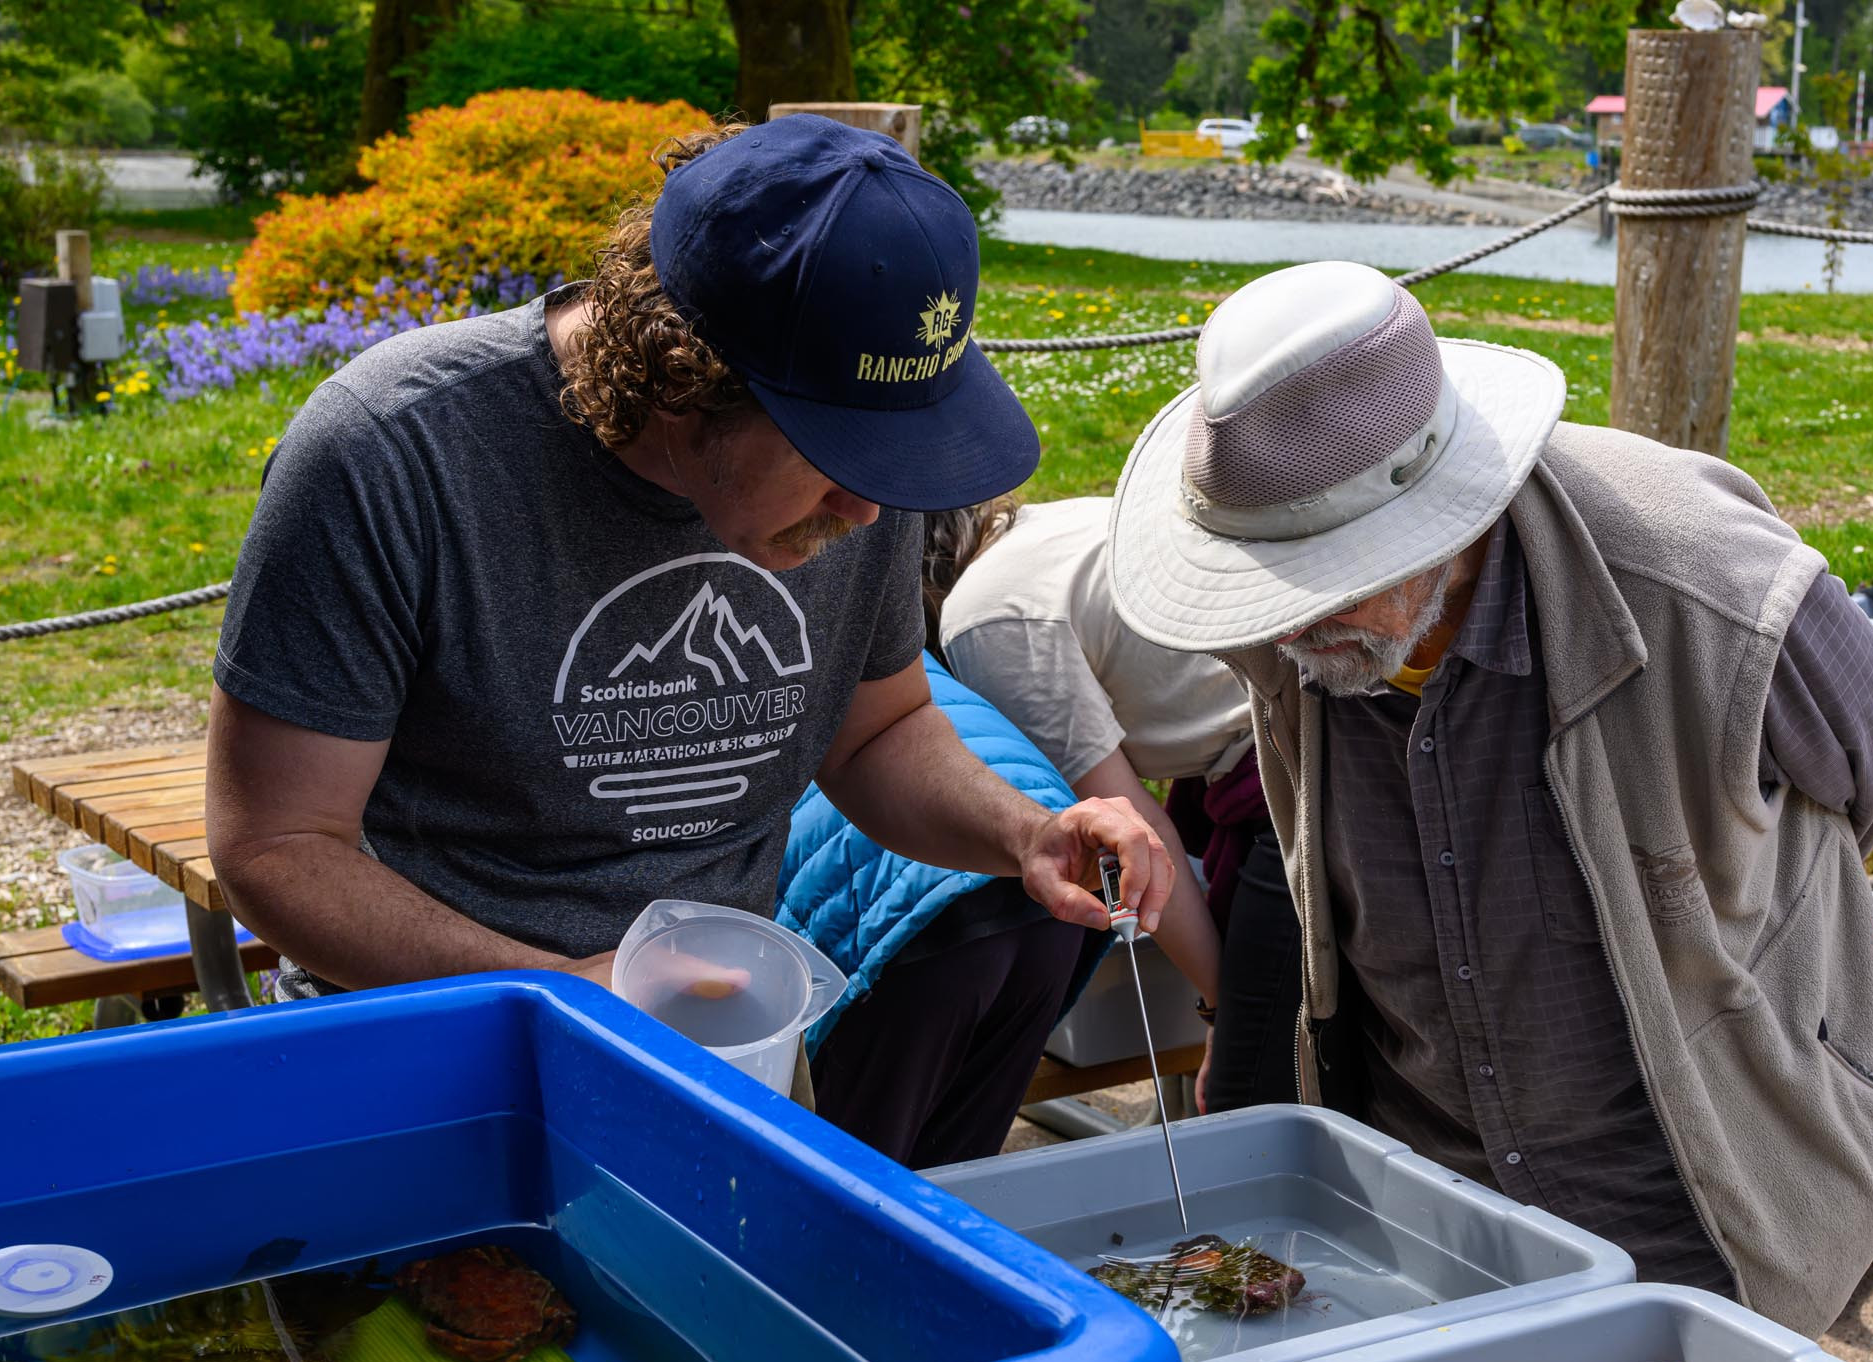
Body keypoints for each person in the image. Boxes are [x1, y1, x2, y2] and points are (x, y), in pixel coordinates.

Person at [1108, 261, 1873, 1338]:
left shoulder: (1707, 577)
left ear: (1446, 522)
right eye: (1270, 583)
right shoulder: (1292, 618)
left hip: (1698, 1197)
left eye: (1328, 580)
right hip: (1429, 1197)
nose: (1286, 627)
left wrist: (1720, 920)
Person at [205, 117, 1172, 1024]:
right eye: (832, 455)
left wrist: (1025, 834)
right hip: (428, 1036)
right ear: (679, 371)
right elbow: (277, 848)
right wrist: (572, 997)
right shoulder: (392, 452)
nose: (870, 509)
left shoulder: (858, 463)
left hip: (717, 1031)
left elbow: (879, 733)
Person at [932, 495, 1303, 1113]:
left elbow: (1135, 833)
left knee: (1253, 1095)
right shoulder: (1050, 526)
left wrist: (1225, 1015)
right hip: (1295, 731)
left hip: (1288, 777)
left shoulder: (986, 623)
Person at [775, 656, 1091, 1167]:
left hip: (910, 909)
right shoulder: (884, 647)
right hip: (1051, 880)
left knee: (854, 1182)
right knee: (958, 1176)